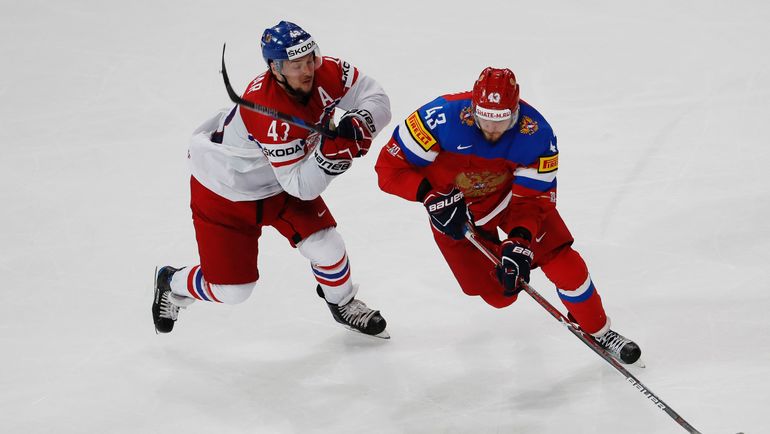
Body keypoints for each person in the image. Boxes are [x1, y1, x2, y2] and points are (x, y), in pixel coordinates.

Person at [374, 67, 641, 363]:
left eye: (502, 121)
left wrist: (520, 239)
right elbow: (388, 170)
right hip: (454, 211)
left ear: (516, 112)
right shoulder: (439, 118)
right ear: (473, 108)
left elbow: (534, 198)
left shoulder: (536, 133)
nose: (491, 130)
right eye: (485, 118)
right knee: (500, 296)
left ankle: (600, 331)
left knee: (567, 265)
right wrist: (429, 195)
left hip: (508, 200)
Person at [152, 21, 391, 338]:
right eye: (296, 65)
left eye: (310, 59)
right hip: (225, 192)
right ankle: (172, 282)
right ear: (275, 68)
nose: (308, 70)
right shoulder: (268, 113)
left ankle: (342, 303)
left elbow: (376, 97)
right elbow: (301, 187)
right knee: (232, 291)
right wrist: (332, 155)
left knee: (327, 246)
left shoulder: (327, 73)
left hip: (278, 179)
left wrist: (360, 122)